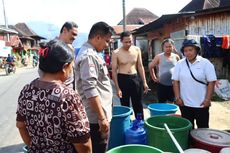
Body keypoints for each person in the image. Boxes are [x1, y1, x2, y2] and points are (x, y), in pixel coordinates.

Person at [16, 40, 92, 153]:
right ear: (64, 67)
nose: (72, 70)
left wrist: (33, 146)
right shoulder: (68, 97)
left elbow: (20, 125)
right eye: (71, 66)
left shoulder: (27, 90)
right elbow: (83, 142)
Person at [75, 21, 114, 153]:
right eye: (107, 41)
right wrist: (102, 118)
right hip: (95, 119)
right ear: (98, 37)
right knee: (98, 148)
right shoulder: (89, 56)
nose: (107, 45)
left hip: (98, 115)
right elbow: (90, 89)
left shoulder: (92, 53)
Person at [172, 39, 217, 128]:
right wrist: (177, 98)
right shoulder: (180, 64)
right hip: (185, 104)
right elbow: (175, 81)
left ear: (196, 50)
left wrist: (207, 100)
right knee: (188, 128)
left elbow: (211, 82)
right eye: (185, 51)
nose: (188, 53)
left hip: (201, 104)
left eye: (190, 50)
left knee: (202, 128)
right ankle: (190, 142)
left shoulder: (205, 63)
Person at [112, 31, 149, 119]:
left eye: (130, 41)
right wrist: (117, 88)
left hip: (135, 78)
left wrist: (144, 82)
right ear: (121, 41)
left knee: (138, 103)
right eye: (126, 42)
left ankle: (140, 123)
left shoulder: (136, 50)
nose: (128, 44)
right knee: (125, 105)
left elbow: (140, 66)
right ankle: (126, 123)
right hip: (123, 78)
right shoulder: (116, 53)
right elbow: (114, 71)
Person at [39, 21, 78, 89]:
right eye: (73, 34)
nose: (75, 37)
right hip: (55, 92)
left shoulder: (71, 49)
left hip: (70, 92)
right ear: (65, 30)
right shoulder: (51, 48)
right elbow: (43, 73)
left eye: (76, 35)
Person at [149, 39, 180, 103]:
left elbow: (179, 69)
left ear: (173, 47)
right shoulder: (159, 57)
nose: (168, 48)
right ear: (163, 47)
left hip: (173, 85)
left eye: (170, 46)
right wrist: (154, 78)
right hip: (162, 84)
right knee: (161, 103)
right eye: (166, 47)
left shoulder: (176, 57)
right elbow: (151, 66)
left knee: (172, 103)